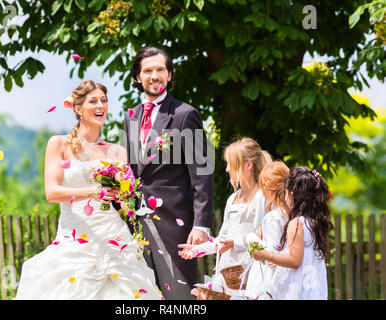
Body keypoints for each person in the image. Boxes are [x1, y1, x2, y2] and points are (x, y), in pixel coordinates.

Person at [16, 80, 161, 300]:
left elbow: (124, 202)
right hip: (75, 236)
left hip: (114, 234)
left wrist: (131, 202)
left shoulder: (117, 151)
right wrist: (92, 191)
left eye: (103, 100)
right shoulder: (59, 144)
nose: (100, 105)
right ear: (78, 109)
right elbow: (52, 192)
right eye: (92, 101)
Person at [123, 46, 214, 299]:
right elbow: (133, 171)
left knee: (179, 294)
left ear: (170, 75)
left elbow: (202, 173)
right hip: (136, 225)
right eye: (148, 70)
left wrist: (202, 225)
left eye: (160, 70)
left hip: (175, 223)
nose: (154, 76)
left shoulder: (186, 114)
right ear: (138, 77)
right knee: (143, 293)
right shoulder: (130, 117)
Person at [177, 137, 271, 297]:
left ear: (248, 165)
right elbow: (222, 239)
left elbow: (261, 240)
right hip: (228, 273)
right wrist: (197, 250)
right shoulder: (232, 199)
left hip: (249, 275)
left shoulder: (261, 197)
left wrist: (234, 244)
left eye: (231, 164)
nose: (227, 169)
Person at [251, 166, 333, 300]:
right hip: (314, 290)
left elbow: (295, 260)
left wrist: (265, 255)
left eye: (286, 192)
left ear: (292, 194)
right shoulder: (313, 222)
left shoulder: (296, 223)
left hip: (298, 291)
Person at [238, 161, 289, 299]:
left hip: (267, 283)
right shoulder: (291, 215)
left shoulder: (273, 217)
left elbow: (272, 255)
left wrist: (249, 238)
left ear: (269, 191)